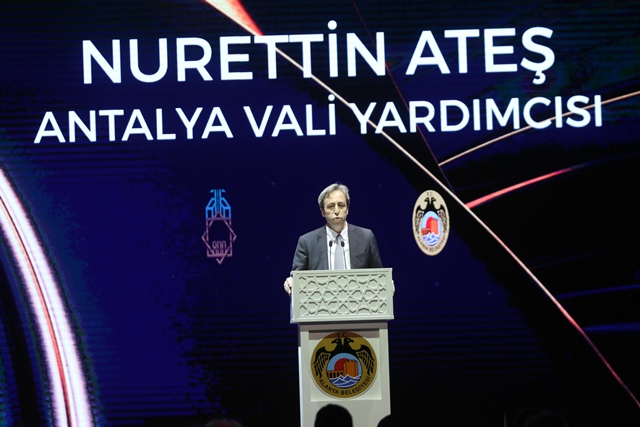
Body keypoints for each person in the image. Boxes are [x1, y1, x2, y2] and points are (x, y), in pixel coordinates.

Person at [283, 182, 384, 295]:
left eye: (341, 205)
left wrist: (386, 284)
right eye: (331, 206)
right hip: (320, 302)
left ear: (347, 209)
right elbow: (297, 279)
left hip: (359, 301)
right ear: (322, 212)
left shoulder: (366, 237)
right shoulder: (307, 242)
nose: (336, 211)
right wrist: (292, 282)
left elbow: (378, 275)